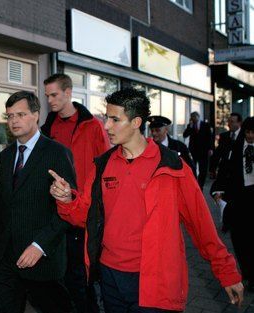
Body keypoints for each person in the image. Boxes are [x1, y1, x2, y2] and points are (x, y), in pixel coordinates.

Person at [48, 88, 244, 312]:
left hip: (155, 281)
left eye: (114, 119)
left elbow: (202, 225)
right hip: (109, 277)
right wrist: (66, 199)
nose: (107, 126)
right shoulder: (102, 165)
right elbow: (85, 215)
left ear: (136, 122)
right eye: (106, 118)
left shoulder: (172, 166)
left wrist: (226, 272)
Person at [0, 90, 76, 313]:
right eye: (10, 116)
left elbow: (67, 208)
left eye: (21, 114)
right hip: (5, 258)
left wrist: (39, 246)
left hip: (41, 259)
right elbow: (0, 208)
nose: (14, 121)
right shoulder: (5, 157)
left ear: (36, 114)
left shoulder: (57, 153)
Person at [42, 73, 109, 313]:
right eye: (47, 95)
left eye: (54, 94)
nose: (49, 100)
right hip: (54, 210)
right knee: (58, 274)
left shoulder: (93, 127)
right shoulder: (48, 128)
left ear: (68, 93)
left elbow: (105, 168)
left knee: (81, 277)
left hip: (82, 211)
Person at [211, 116, 254, 292]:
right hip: (239, 198)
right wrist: (217, 189)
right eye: (248, 132)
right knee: (240, 238)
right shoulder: (236, 148)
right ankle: (248, 273)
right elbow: (225, 169)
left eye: (253, 133)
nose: (250, 136)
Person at [183, 111, 214, 189]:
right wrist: (190, 126)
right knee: (192, 167)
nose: (193, 119)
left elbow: (210, 137)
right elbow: (185, 135)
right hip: (193, 150)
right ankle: (194, 183)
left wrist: (210, 148)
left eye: (194, 117)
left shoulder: (205, 125)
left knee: (203, 169)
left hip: (203, 150)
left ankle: (200, 186)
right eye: (192, 117)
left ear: (198, 117)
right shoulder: (190, 125)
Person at [209, 113, 243, 179]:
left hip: (239, 173)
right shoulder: (224, 136)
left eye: (232, 122)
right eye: (228, 121)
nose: (229, 124)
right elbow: (217, 153)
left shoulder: (244, 136)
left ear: (239, 123)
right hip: (224, 172)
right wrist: (212, 169)